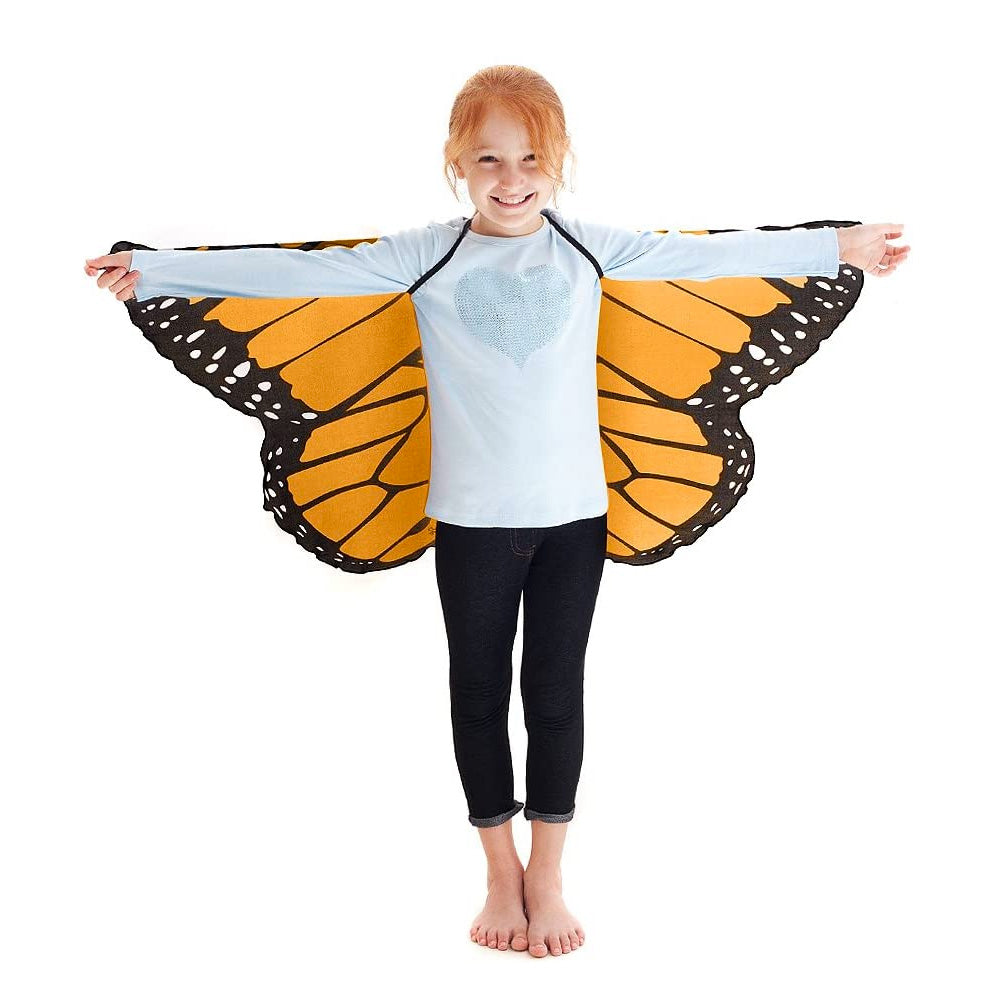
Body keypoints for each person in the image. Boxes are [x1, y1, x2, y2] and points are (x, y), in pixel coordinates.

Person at [84, 65, 909, 959]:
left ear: (557, 162)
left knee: (554, 694)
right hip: (469, 522)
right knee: (475, 692)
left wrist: (837, 247)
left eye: (528, 159)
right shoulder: (423, 255)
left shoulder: (589, 247)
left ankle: (547, 874)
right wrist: (156, 272)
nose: (509, 178)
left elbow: (710, 256)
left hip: (574, 520)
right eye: (487, 158)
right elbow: (296, 273)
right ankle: (496, 870)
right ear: (456, 163)